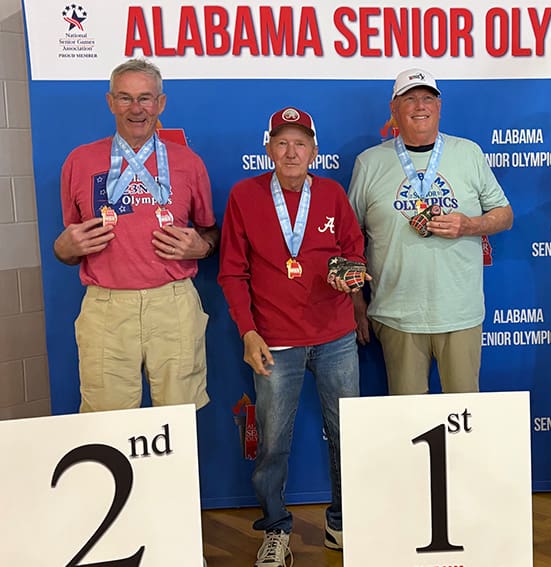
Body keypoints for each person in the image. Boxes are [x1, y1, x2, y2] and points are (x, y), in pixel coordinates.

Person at [218, 106, 366, 567]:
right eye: (282, 142)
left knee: (347, 434)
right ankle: (277, 529)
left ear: (314, 151)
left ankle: (342, 521)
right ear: (268, 149)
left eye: (300, 143)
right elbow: (231, 273)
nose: (291, 151)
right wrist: (247, 331)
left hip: (336, 335)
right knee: (273, 443)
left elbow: (354, 251)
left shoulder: (334, 194)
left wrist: (351, 277)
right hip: (274, 341)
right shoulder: (244, 196)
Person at [54, 58, 218, 413]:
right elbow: (70, 244)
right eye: (125, 98)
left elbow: (210, 231)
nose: (136, 108)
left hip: (172, 303)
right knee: (107, 423)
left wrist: (202, 247)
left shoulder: (188, 162)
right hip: (107, 308)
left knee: (178, 420)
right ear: (110, 102)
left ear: (161, 103)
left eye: (145, 98)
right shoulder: (79, 162)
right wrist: (62, 249)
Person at [348, 68, 513, 395]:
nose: (419, 105)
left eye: (427, 98)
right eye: (409, 98)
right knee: (409, 424)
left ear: (439, 107)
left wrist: (469, 225)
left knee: (465, 419)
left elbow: (504, 215)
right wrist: (355, 302)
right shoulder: (369, 163)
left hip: (460, 314)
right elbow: (348, 238)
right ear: (394, 109)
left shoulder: (468, 153)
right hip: (397, 315)